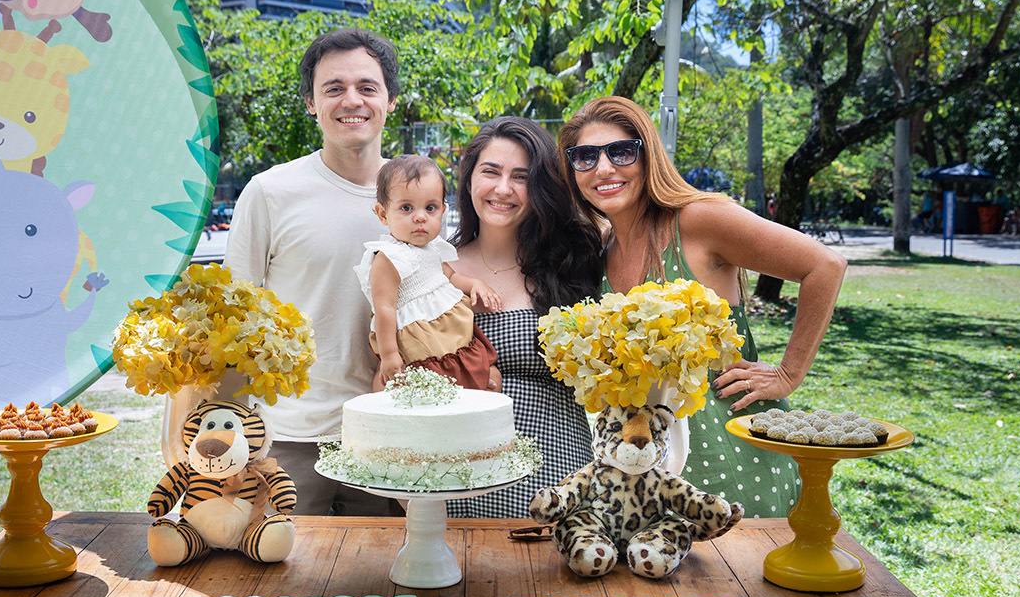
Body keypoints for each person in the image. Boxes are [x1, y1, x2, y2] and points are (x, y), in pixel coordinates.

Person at [558, 96, 847, 518]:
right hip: (647, 467)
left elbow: (825, 265)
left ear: (648, 156)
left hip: (732, 451)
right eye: (585, 157)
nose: (603, 169)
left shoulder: (695, 220)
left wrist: (787, 374)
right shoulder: (602, 248)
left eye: (621, 151)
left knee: (742, 578)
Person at [222, 27, 402, 517]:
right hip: (287, 437)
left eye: (367, 87)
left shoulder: (414, 203)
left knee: (379, 585)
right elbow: (231, 318)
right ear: (310, 103)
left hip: (383, 433)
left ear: (390, 101)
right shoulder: (270, 191)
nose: (352, 101)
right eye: (334, 88)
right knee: (278, 584)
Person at [445, 117, 604, 519]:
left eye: (522, 177)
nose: (503, 189)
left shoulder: (575, 261)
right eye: (491, 172)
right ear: (468, 180)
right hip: (456, 482)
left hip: (557, 483)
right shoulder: (434, 267)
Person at [354, 155, 502, 392]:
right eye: (406, 208)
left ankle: (476, 387)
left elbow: (450, 277)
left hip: (451, 336)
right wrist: (390, 354)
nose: (420, 216)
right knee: (397, 387)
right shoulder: (388, 258)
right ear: (383, 214)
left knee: (488, 375)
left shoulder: (432, 248)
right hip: (419, 343)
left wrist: (474, 284)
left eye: (430, 208)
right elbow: (384, 309)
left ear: (442, 211)